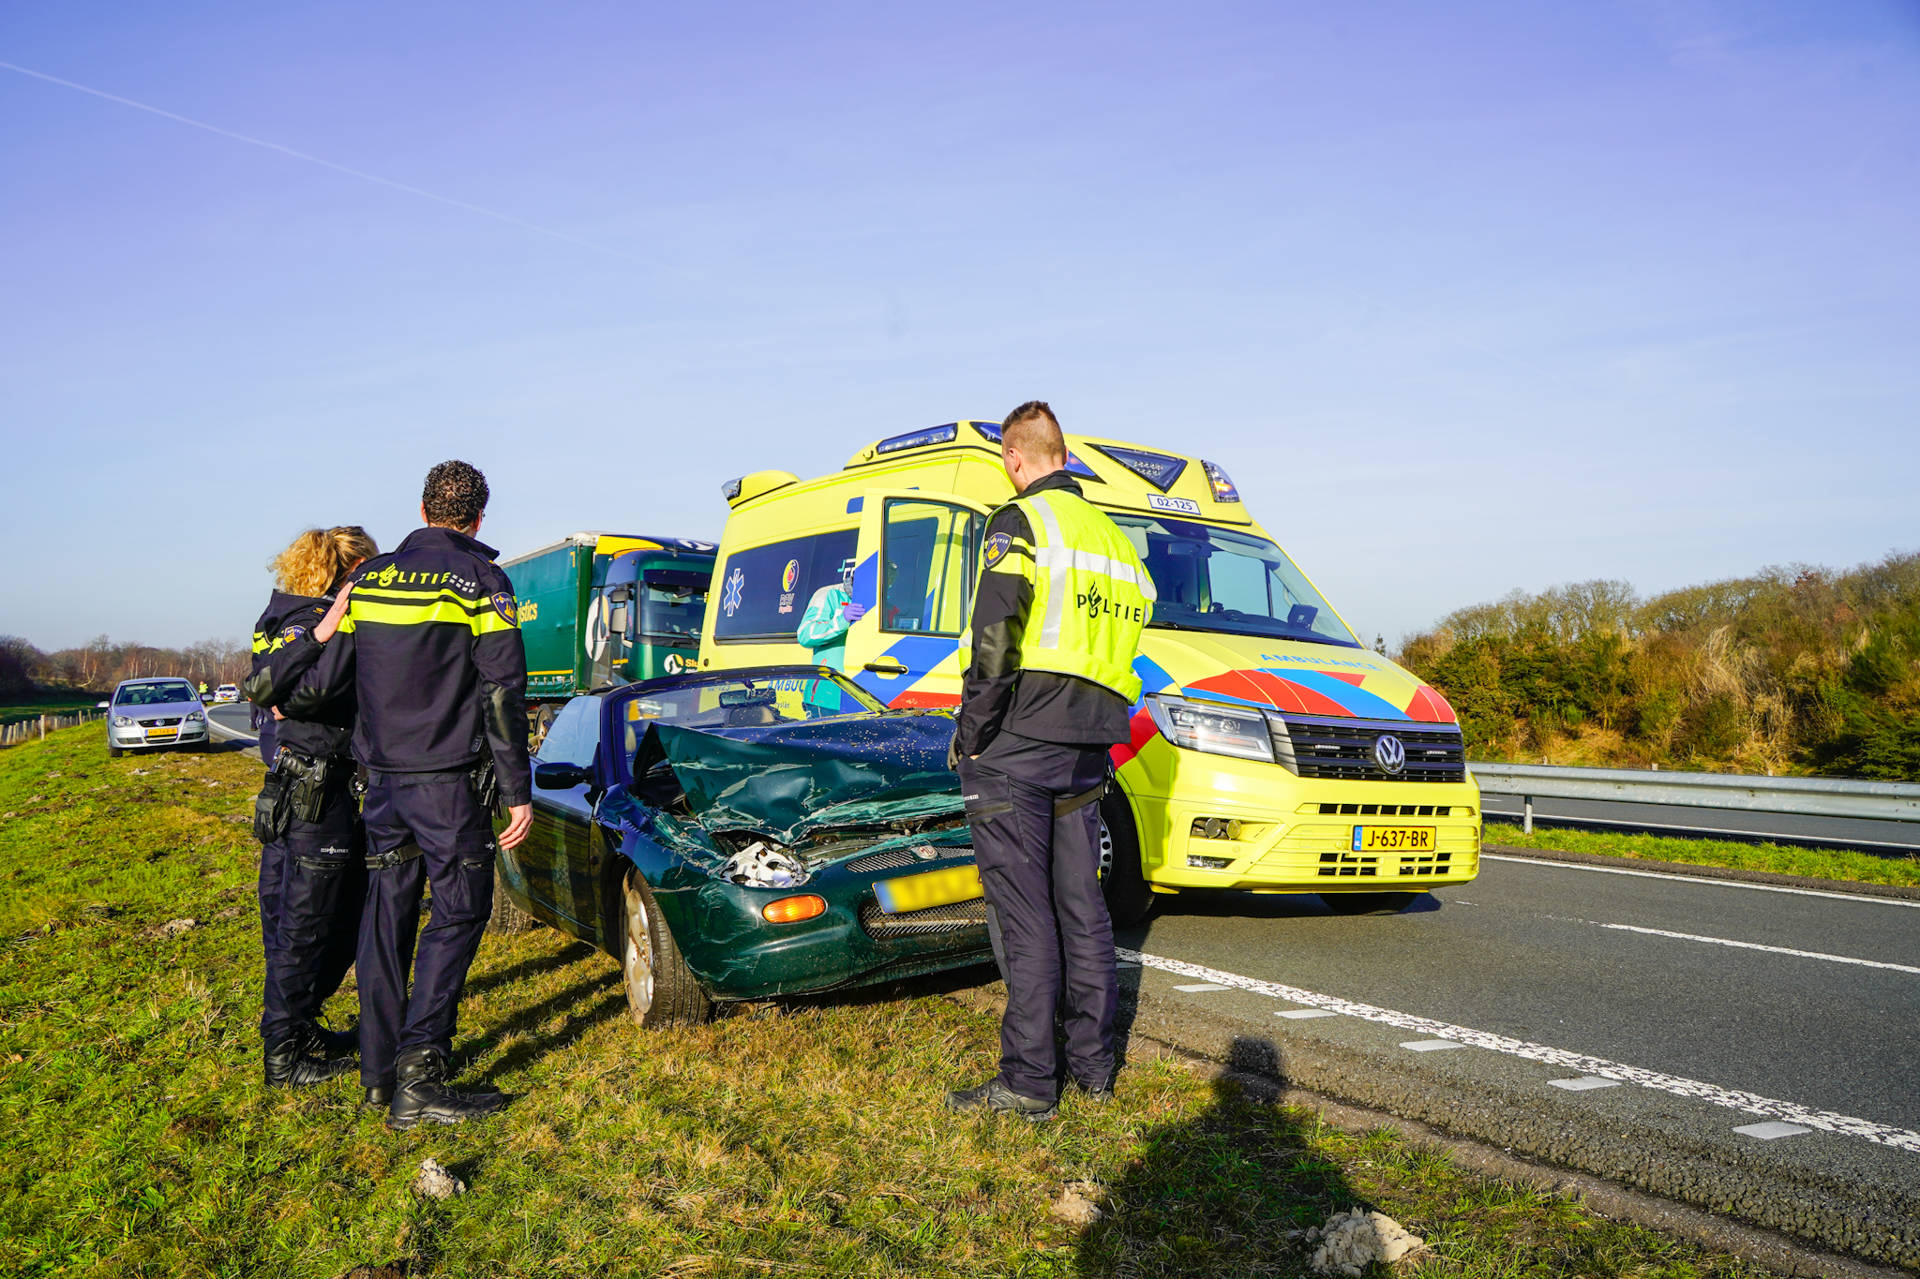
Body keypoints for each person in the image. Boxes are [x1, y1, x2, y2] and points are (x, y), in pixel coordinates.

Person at [284, 460, 534, 1129]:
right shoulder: (482, 580)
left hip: (382, 787)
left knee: (384, 917)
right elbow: (504, 692)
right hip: (447, 784)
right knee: (458, 912)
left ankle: (378, 1072)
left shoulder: (370, 577)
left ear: (423, 510)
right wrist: (518, 789)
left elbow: (327, 679)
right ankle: (422, 1071)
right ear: (478, 517)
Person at [945, 401, 1154, 1122]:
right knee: (1082, 906)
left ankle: (1030, 1081)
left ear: (1015, 458)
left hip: (1020, 742)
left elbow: (996, 638)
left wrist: (972, 729)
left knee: (1025, 913)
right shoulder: (1119, 543)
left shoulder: (1019, 522)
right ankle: (1094, 1068)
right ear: (1062, 453)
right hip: (1091, 743)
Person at [243, 525, 378, 1088]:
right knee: (311, 922)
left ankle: (296, 1026)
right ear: (347, 574)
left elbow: (274, 700)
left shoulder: (275, 621)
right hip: (316, 794)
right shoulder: (319, 622)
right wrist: (337, 626)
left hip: (292, 789)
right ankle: (285, 1054)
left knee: (289, 917)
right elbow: (292, 695)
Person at [794, 557, 866, 670]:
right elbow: (805, 634)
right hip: (829, 681)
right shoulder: (829, 594)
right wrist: (842, 620)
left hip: (862, 679)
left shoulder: (882, 605)